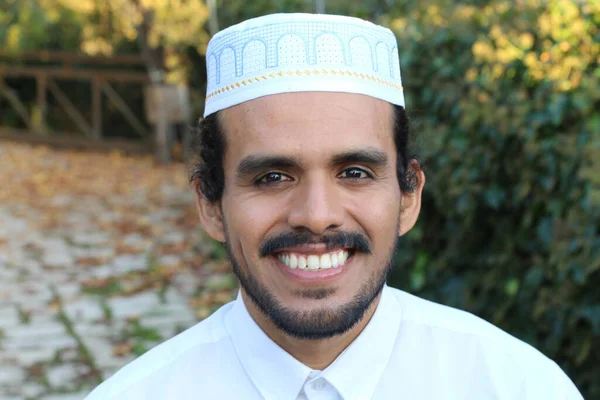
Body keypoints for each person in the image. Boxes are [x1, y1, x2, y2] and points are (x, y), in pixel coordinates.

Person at [85, 13, 583, 400]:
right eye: (273, 177)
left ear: (408, 196)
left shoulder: (517, 386)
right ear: (211, 204)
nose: (317, 214)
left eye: (355, 173)